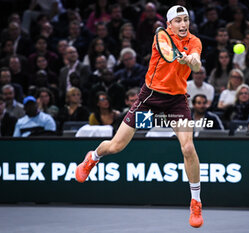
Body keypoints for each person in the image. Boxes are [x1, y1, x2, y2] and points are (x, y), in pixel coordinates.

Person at [75, 5, 204, 228]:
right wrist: (180, 59)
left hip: (176, 100)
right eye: (178, 21)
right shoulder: (161, 37)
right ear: (169, 24)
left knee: (188, 148)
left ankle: (196, 201)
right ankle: (93, 157)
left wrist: (191, 61)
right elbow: (168, 52)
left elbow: (197, 61)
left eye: (186, 20)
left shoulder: (194, 41)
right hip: (151, 99)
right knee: (116, 146)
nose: (183, 24)